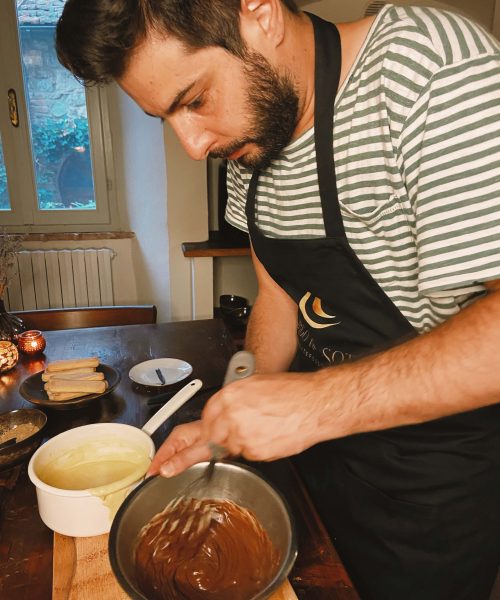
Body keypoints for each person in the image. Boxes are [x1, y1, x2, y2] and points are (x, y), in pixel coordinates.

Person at [56, 1, 500, 598]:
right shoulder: (254, 133)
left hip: (428, 491)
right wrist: (234, 415)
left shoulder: (431, 72)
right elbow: (278, 295)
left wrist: (316, 406)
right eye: (166, 118)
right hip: (319, 464)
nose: (192, 144)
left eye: (193, 99)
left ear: (259, 12)